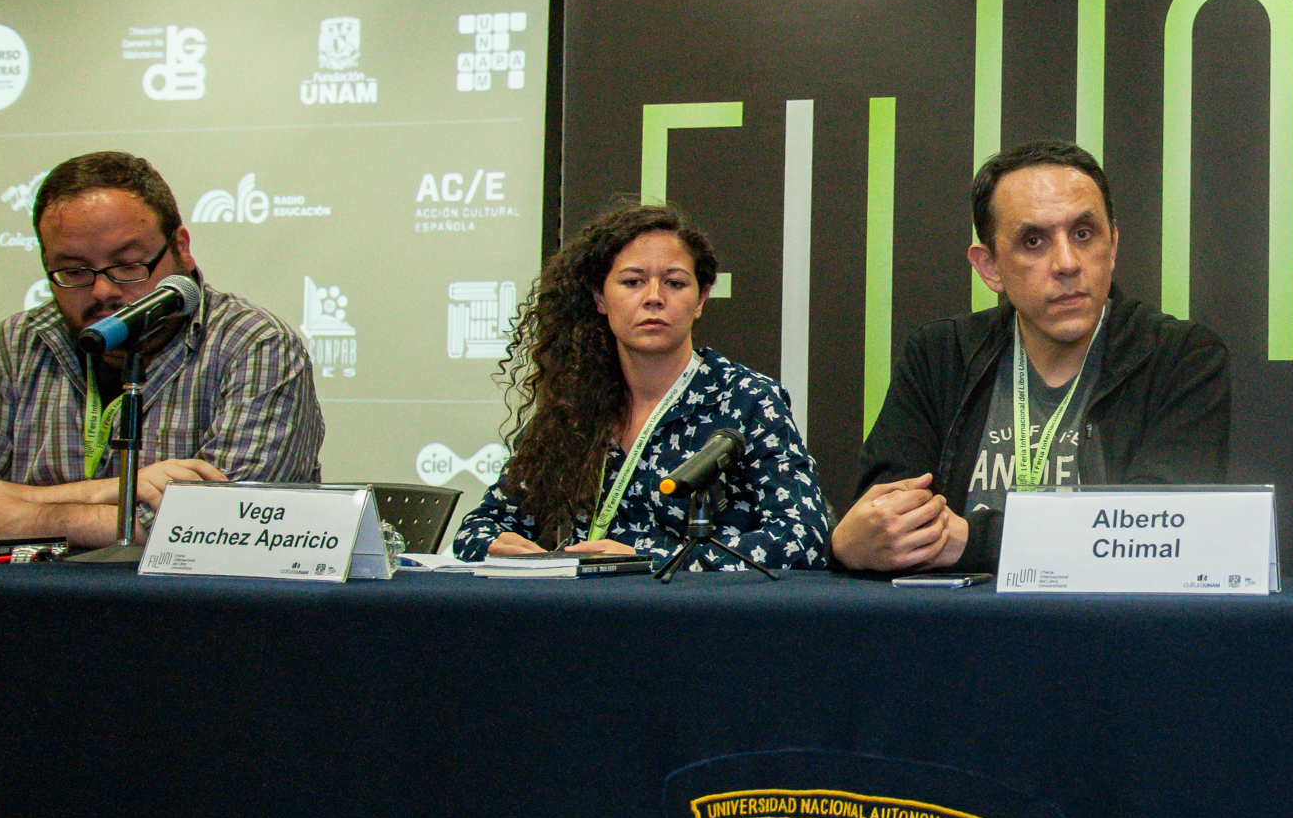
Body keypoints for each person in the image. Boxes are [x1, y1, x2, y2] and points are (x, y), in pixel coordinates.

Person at [832, 140, 1230, 573]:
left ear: (1112, 247)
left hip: (1110, 631)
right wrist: (847, 543)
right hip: (957, 629)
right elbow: (886, 518)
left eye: (1083, 234)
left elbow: (1154, 535)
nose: (1066, 263)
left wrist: (970, 541)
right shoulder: (938, 357)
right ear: (990, 267)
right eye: (1034, 240)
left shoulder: (1181, 358)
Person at [0, 151, 322, 546]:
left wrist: (20, 516)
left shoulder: (256, 345)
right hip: (27, 614)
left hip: (189, 619)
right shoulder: (18, 343)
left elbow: (226, 524)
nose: (102, 290)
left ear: (181, 249)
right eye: (72, 270)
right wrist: (109, 490)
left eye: (128, 265)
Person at [452, 203, 829, 569]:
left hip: (688, 621)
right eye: (633, 282)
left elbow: (804, 536)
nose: (653, 297)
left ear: (700, 300)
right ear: (600, 297)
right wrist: (492, 544)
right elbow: (479, 528)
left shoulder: (747, 399)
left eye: (675, 283)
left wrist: (653, 561)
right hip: (579, 617)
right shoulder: (575, 403)